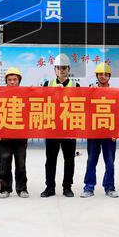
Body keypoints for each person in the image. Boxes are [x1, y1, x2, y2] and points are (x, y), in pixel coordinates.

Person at [42, 54, 78, 198]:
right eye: (58, 68)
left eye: (64, 68)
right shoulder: (47, 85)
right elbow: (41, 103)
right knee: (50, 160)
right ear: (54, 69)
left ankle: (67, 187)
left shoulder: (76, 86)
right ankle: (49, 187)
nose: (61, 70)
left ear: (68, 69)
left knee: (69, 160)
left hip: (69, 128)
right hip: (52, 128)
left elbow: (79, 105)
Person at [81, 62, 118, 198]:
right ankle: (88, 187)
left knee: (109, 161)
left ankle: (109, 187)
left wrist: (116, 132)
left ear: (109, 76)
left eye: (106, 74)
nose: (103, 76)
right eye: (100, 74)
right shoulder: (90, 91)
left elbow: (118, 113)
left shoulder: (115, 93)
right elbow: (85, 110)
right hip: (94, 132)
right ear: (96, 76)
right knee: (91, 160)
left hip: (109, 133)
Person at [0, 67, 29, 198]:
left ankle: (22, 189)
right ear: (6, 81)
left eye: (14, 79)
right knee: (5, 163)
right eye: (9, 79)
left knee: (21, 164)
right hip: (5, 135)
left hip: (21, 135)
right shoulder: (0, 94)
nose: (12, 82)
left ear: (19, 80)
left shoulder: (25, 94)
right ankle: (5, 188)